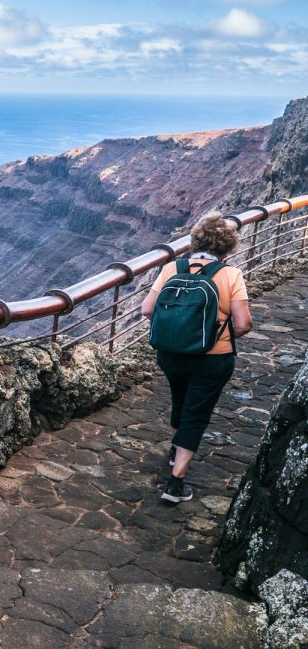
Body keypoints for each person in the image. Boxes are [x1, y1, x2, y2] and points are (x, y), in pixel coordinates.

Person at [140, 211, 253, 503]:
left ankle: (175, 450)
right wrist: (216, 338)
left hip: (171, 354)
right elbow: (243, 324)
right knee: (196, 414)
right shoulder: (231, 275)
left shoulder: (171, 268)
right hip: (212, 359)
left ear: (196, 240)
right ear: (228, 247)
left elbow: (147, 310)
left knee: (181, 399)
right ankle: (175, 484)